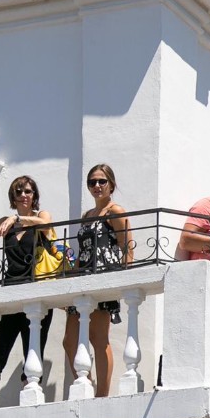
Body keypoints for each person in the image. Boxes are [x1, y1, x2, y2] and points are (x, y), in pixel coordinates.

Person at [0, 175, 57, 391]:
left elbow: (46, 225)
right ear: (13, 197)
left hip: (36, 290)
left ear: (34, 195)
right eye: (18, 192)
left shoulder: (40, 216)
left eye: (28, 191)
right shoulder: (6, 222)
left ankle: (31, 402)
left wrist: (17, 219)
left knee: (33, 351)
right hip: (10, 293)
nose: (23, 195)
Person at [62, 164, 132, 397]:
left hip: (104, 276)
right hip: (83, 277)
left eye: (102, 181)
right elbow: (83, 250)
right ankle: (86, 383)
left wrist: (123, 280)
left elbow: (127, 247)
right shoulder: (87, 216)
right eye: (92, 182)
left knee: (98, 338)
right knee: (69, 341)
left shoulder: (115, 211)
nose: (97, 186)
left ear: (111, 184)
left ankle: (102, 394)